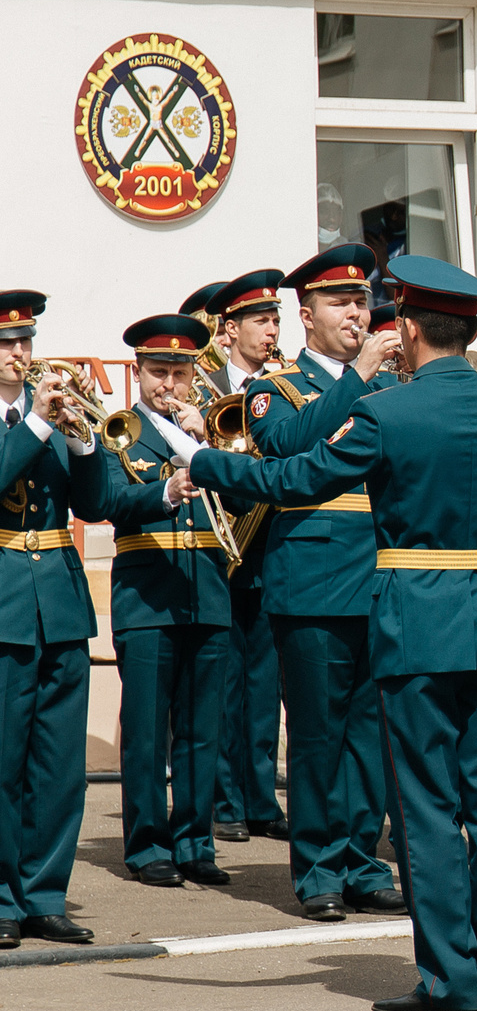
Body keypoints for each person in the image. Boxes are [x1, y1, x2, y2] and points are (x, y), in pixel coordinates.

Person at [183, 256, 477, 1011]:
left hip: (415, 620)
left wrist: (201, 459)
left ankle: (451, 976)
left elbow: (292, 481)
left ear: (406, 327)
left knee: (427, 806)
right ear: (471, 331)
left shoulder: (388, 413)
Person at [247, 243, 405, 922]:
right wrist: (358, 377)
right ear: (305, 315)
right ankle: (317, 870)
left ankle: (363, 860)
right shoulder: (272, 389)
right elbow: (292, 445)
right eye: (340, 302)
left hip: (379, 576)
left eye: (361, 300)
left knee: (371, 732)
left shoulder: (392, 388)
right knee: (316, 733)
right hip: (310, 580)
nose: (355, 312)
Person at [91, 315, 246, 890]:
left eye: (180, 373)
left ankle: (195, 841)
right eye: (159, 372)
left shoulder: (206, 431)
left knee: (204, 727)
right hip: (148, 592)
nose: (171, 385)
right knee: (148, 728)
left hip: (206, 589)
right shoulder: (120, 430)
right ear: (139, 372)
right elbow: (106, 497)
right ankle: (148, 845)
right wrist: (163, 491)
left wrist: (205, 444)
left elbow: (245, 491)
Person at [0, 292, 104, 948]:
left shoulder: (52, 412)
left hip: (61, 603)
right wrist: (37, 426)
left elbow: (95, 504)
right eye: (7, 344)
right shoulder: (23, 418)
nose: (20, 355)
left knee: (59, 762)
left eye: (27, 342)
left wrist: (84, 438)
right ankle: (2, 899)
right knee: (4, 758)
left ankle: (44, 894)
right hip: (6, 603)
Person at [202, 270, 290, 844]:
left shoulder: (285, 388)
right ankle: (224, 799)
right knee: (223, 683)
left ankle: (261, 798)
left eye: (276, 319)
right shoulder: (203, 386)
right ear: (229, 328)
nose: (271, 331)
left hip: (270, 547)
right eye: (261, 321)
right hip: (216, 548)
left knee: (264, 685)